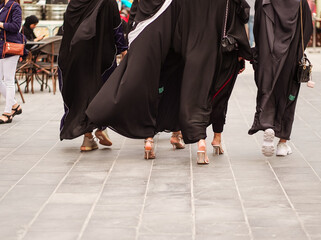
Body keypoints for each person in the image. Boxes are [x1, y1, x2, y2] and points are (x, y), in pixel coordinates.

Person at [86, 0, 251, 164]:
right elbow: (240, 13)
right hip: (211, 50)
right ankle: (206, 139)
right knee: (203, 90)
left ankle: (150, 139)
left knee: (164, 82)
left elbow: (169, 25)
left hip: (177, 46)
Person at [58, 0, 127, 151]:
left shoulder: (74, 3)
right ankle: (101, 127)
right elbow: (116, 28)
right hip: (100, 58)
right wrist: (123, 49)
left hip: (73, 57)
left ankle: (88, 137)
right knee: (103, 92)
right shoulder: (109, 2)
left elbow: (66, 29)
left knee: (81, 94)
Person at [248, 0, 313, 157]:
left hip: (268, 56)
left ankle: (267, 123)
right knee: (289, 94)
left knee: (267, 90)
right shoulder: (300, 2)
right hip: (291, 57)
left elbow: (256, 28)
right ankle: (282, 143)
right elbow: (307, 28)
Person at [0, 0, 24, 124]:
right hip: (1, 47)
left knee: (9, 80)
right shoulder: (0, 6)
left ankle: (8, 113)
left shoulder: (14, 6)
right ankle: (15, 105)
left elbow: (16, 27)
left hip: (11, 46)